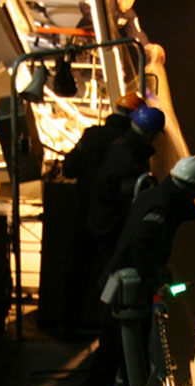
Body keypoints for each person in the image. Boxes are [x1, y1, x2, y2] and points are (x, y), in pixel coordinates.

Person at [80, 155, 195, 386]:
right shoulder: (162, 209)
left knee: (114, 351)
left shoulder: (154, 195)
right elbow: (143, 243)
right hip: (127, 289)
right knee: (117, 350)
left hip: (121, 281)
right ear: (190, 188)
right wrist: (154, 283)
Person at [58, 92, 145, 339]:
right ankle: (112, 331)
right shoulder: (128, 145)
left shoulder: (92, 135)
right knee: (114, 275)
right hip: (114, 222)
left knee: (77, 271)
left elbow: (69, 168)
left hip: (84, 215)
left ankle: (68, 325)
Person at [88, 104, 165, 266]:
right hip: (111, 230)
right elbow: (129, 204)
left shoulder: (120, 145)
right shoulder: (131, 161)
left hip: (100, 222)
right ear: (150, 134)